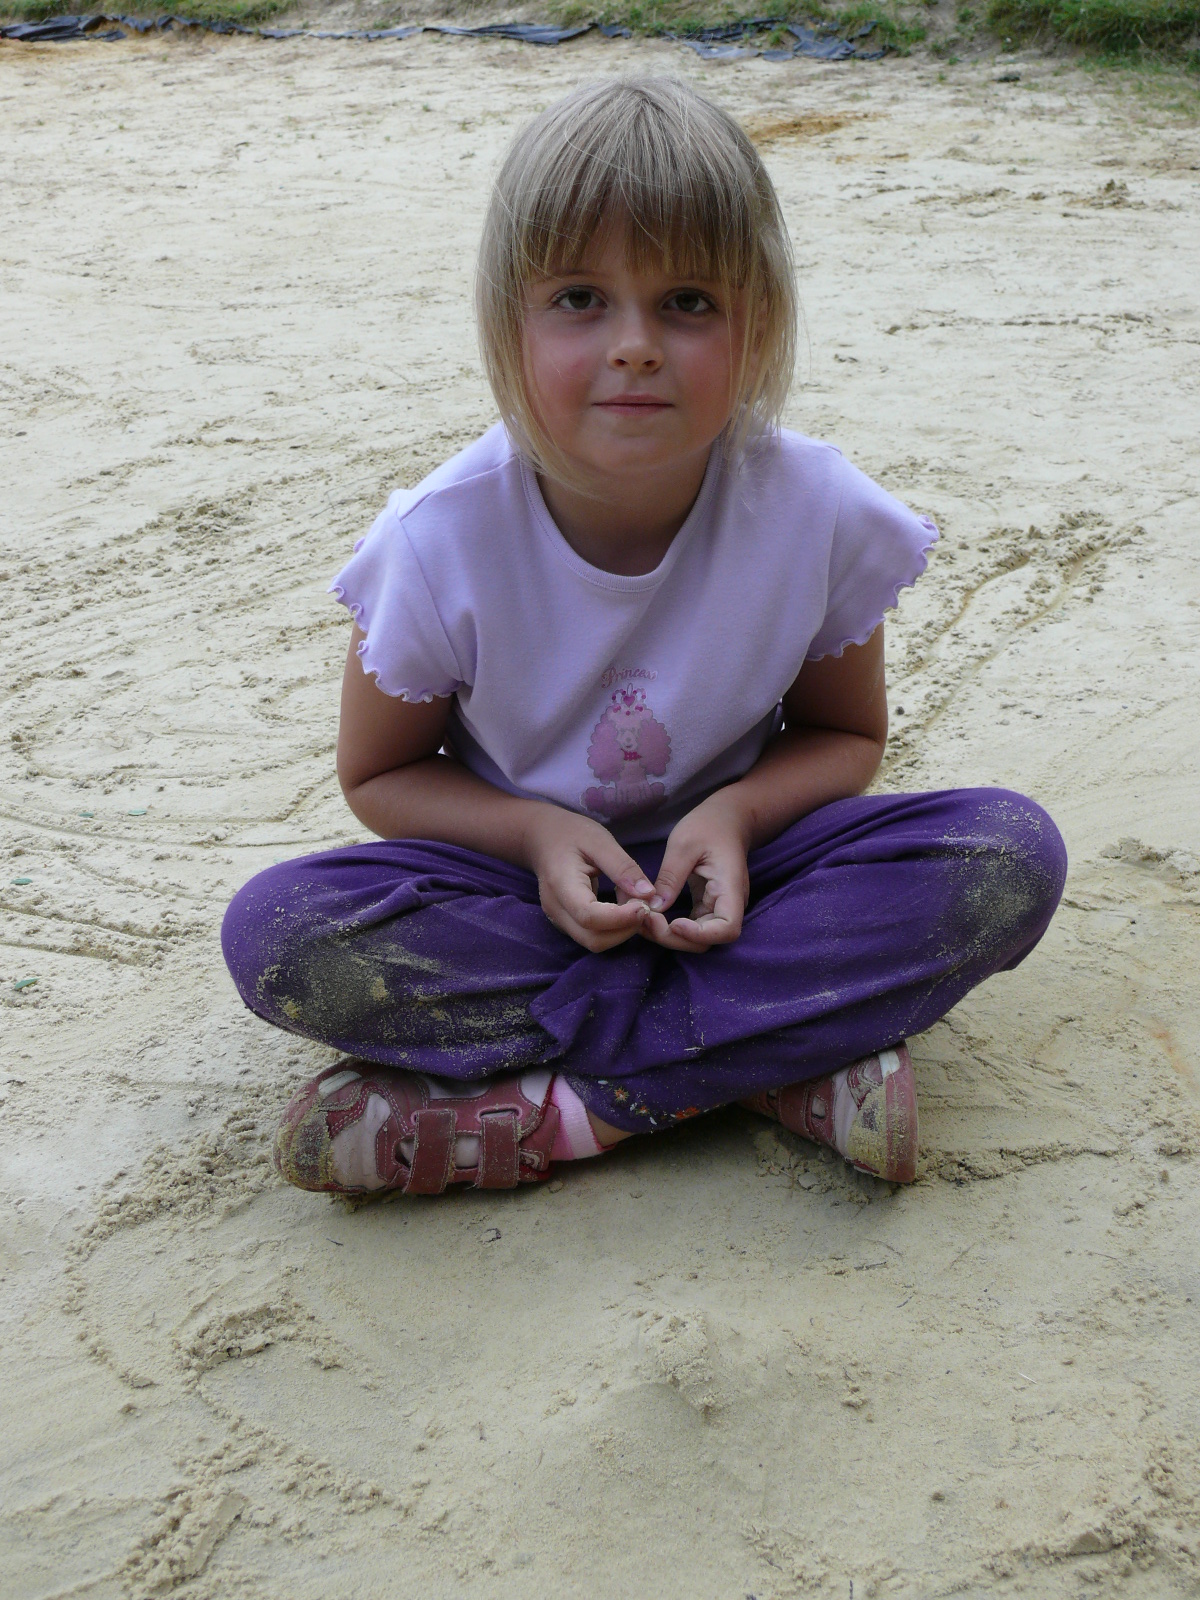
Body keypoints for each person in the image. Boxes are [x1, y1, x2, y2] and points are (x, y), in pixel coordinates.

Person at [222, 77, 1066, 1198]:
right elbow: (380, 774)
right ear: (508, 323)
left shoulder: (817, 512)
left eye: (688, 302)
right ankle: (772, 1059)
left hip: (749, 886)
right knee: (283, 933)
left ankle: (576, 1113)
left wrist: (734, 815)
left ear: (757, 321)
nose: (634, 346)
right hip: (519, 899)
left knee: (1006, 855)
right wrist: (534, 833)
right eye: (579, 298)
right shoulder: (437, 542)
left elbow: (843, 738)